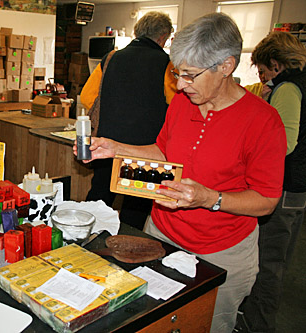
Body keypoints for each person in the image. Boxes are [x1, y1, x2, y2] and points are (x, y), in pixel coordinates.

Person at [75, 13, 287, 333]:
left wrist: (209, 198)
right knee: (153, 321)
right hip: (161, 235)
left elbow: (266, 200)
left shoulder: (263, 121)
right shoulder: (183, 103)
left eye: (189, 75)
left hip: (222, 251)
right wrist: (116, 147)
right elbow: (163, 154)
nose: (180, 84)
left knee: (206, 325)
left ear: (226, 66)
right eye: (177, 73)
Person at [80, 11, 177, 230]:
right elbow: (176, 107)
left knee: (98, 200)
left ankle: (83, 245)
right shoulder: (166, 64)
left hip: (107, 144)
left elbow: (87, 98)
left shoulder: (111, 58)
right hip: (145, 152)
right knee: (135, 210)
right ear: (162, 37)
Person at [237, 31, 306, 333]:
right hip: (297, 188)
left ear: (275, 64)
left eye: (264, 71)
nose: (263, 78)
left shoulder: (288, 87)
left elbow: (284, 143)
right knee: (276, 262)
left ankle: (257, 326)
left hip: (285, 189)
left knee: (267, 267)